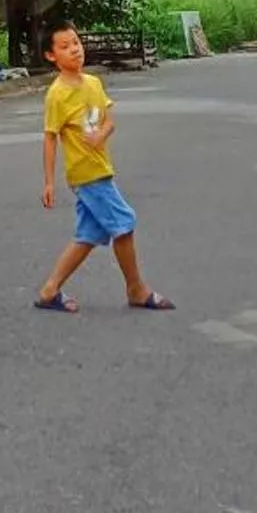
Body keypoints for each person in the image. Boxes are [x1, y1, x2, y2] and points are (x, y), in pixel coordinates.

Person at [33, 19, 172, 313]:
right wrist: (49, 182)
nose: (74, 49)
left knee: (89, 235)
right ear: (51, 55)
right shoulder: (57, 94)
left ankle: (49, 290)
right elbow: (50, 138)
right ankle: (136, 289)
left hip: (101, 167)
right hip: (86, 174)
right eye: (64, 46)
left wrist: (101, 135)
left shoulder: (93, 83)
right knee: (124, 224)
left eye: (76, 42)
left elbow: (109, 121)